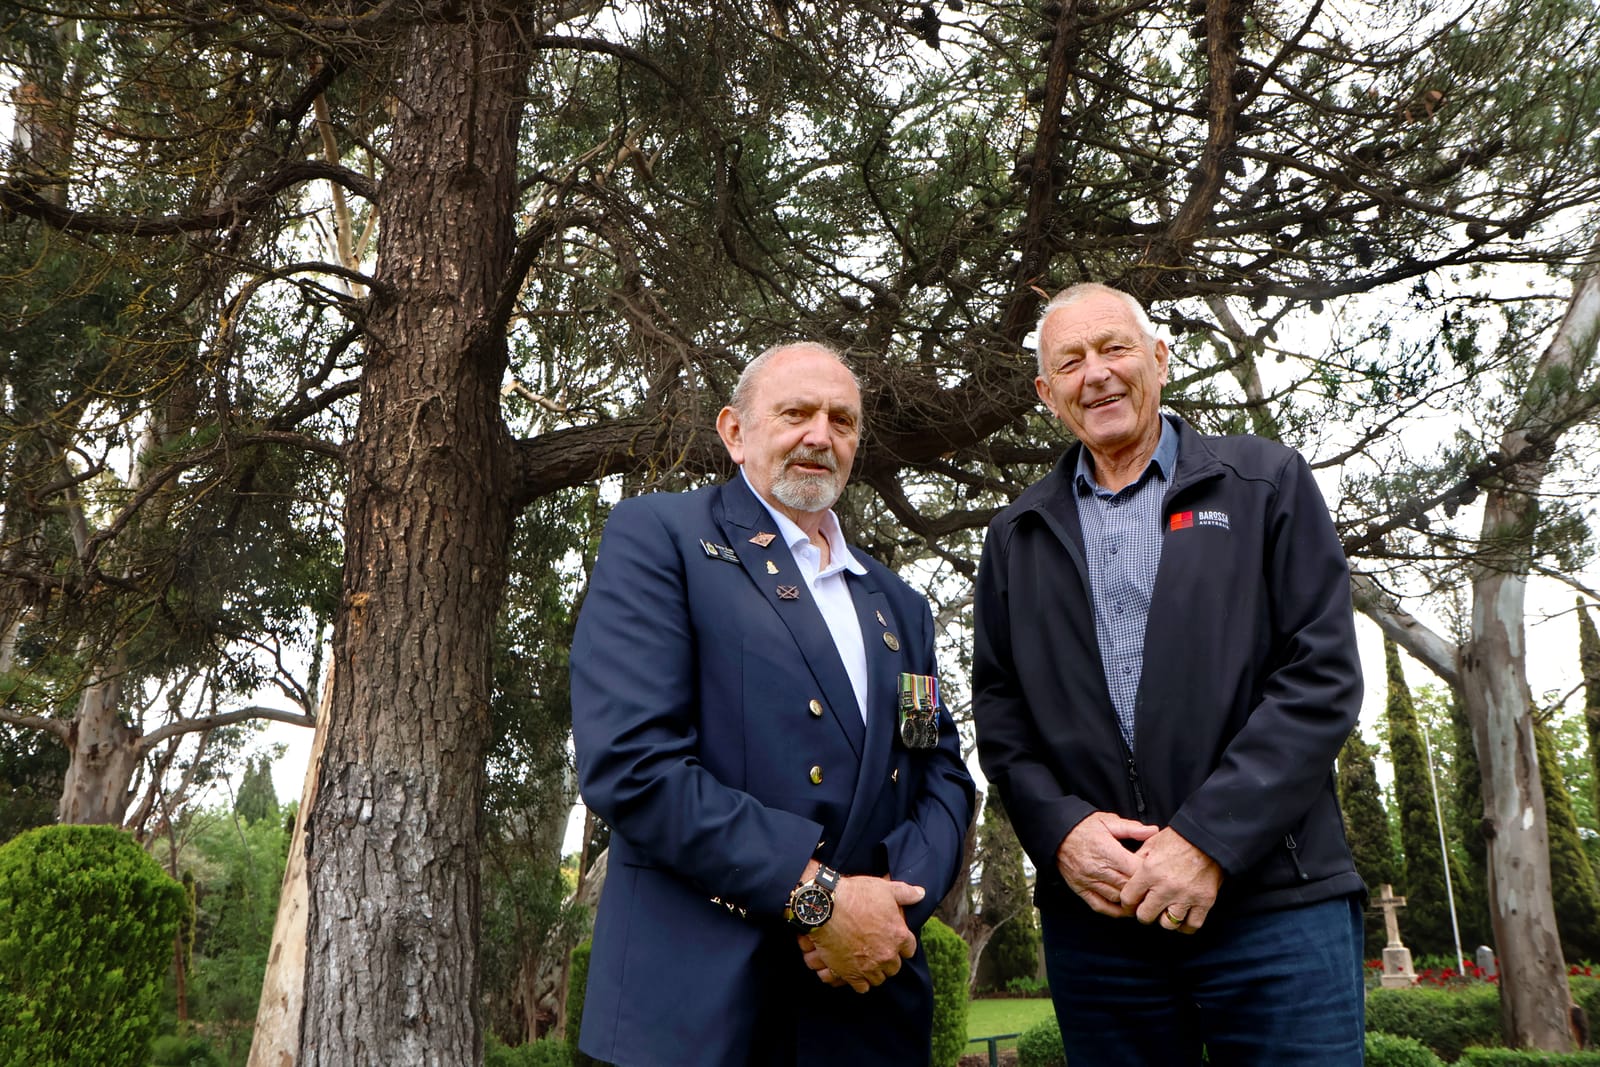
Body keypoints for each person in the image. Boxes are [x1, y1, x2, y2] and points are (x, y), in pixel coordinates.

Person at [971, 283, 1366, 1065]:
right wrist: (1063, 833)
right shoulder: (1016, 534)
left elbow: (1319, 677)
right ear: (1048, 394)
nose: (1098, 375)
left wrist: (1206, 841)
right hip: (1102, 924)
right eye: (1071, 362)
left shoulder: (1265, 482)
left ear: (1158, 355)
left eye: (1115, 348)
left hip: (1274, 902)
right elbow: (1002, 716)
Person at [570, 342, 974, 1066]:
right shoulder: (661, 538)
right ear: (734, 431)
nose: (821, 434)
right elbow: (633, 762)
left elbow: (939, 766)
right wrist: (819, 897)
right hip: (698, 1010)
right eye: (796, 413)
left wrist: (893, 905)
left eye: (842, 420)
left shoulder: (899, 603)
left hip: (864, 1005)